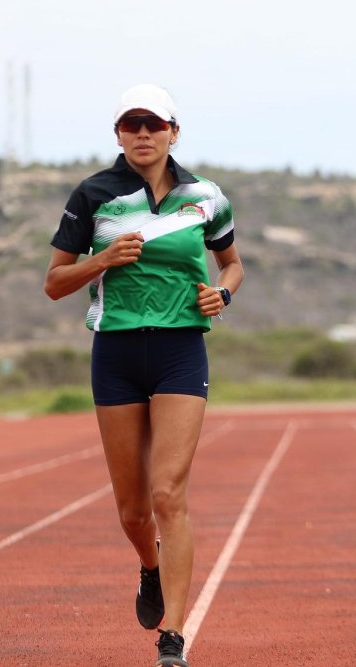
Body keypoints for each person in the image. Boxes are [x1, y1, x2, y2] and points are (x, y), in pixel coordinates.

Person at [44, 83, 243, 667]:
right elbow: (54, 282)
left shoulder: (206, 196)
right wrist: (102, 259)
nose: (143, 134)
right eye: (132, 125)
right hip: (117, 352)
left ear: (173, 132)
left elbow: (231, 263)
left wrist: (222, 296)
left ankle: (173, 637)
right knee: (134, 510)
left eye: (153, 125)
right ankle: (149, 566)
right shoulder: (94, 195)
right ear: (118, 135)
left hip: (182, 350)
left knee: (168, 493)